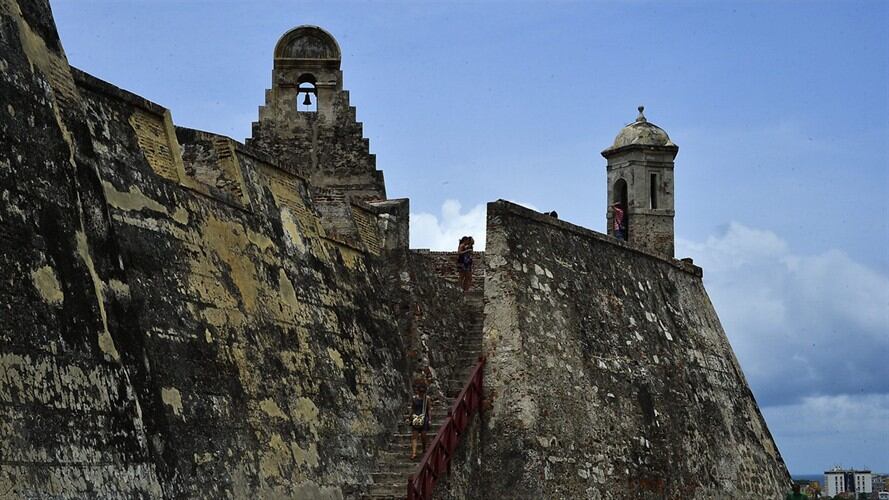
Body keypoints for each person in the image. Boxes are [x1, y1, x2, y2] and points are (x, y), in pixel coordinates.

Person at [409, 383, 431, 459]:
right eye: (420, 391)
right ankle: (414, 452)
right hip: (416, 417)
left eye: (423, 392)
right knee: (414, 435)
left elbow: (429, 409)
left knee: (423, 435)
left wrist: (429, 419)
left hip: (424, 417)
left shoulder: (427, 399)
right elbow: (412, 408)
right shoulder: (414, 398)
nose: (421, 393)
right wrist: (410, 417)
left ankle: (424, 448)